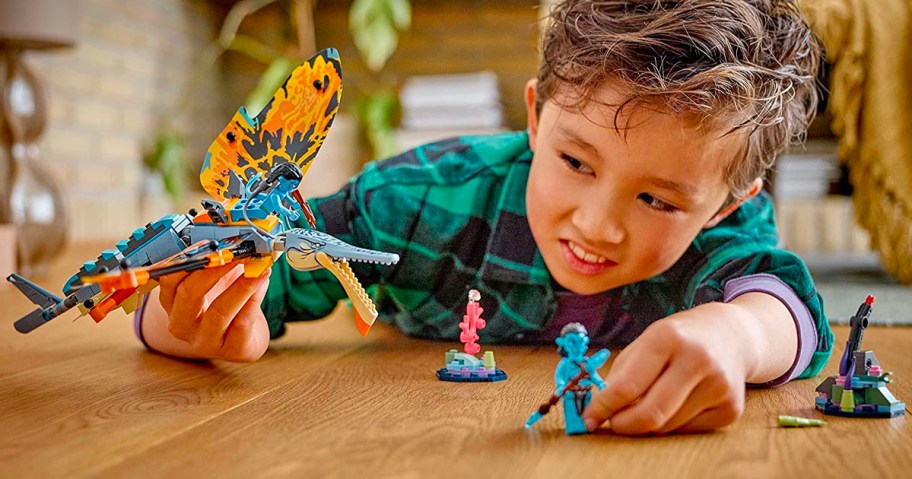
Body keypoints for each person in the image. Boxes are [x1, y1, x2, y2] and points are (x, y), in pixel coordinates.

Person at [137, 0, 833, 435]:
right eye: (577, 162)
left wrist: (738, 333)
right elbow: (243, 278)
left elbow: (786, 307)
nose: (596, 224)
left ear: (729, 203)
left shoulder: (727, 232)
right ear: (534, 117)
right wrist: (192, 316)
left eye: (658, 200)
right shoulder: (413, 200)